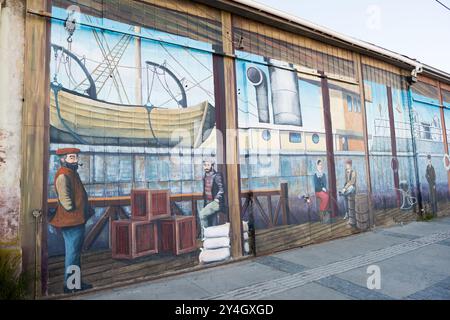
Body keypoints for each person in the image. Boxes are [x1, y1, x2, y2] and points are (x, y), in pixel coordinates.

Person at [49, 148, 93, 293]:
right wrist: (75, 211)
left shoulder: (71, 173)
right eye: (72, 157)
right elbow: (65, 199)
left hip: (75, 220)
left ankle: (75, 282)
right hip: (72, 220)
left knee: (74, 252)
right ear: (63, 159)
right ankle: (70, 285)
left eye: (76, 158)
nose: (75, 160)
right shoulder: (63, 175)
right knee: (73, 253)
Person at [199, 158, 226, 238]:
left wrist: (216, 200)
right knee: (212, 220)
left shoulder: (217, 175)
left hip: (215, 202)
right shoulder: (205, 176)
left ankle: (205, 236)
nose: (206, 167)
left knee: (202, 214)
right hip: (207, 202)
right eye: (204, 165)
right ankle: (211, 238)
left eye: (208, 165)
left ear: (212, 166)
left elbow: (222, 189)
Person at [339, 159, 357, 226]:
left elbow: (352, 182)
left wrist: (345, 188)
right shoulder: (346, 171)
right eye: (346, 164)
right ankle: (347, 212)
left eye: (347, 164)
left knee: (351, 188)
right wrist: (344, 188)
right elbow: (346, 181)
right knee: (345, 199)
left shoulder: (353, 172)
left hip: (352, 188)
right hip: (347, 188)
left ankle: (343, 193)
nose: (346, 166)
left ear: (350, 165)